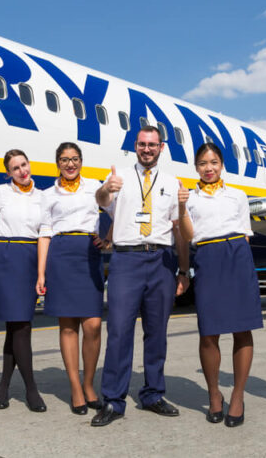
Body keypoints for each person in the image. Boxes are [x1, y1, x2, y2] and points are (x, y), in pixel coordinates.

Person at [91, 125, 190, 427]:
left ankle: (153, 393)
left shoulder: (174, 184)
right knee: (119, 331)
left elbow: (180, 232)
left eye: (153, 145)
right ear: (135, 146)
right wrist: (107, 188)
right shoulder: (118, 177)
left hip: (161, 259)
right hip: (127, 259)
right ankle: (113, 399)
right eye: (142, 144)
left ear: (161, 148)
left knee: (156, 332)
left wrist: (183, 271)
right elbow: (100, 199)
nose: (147, 149)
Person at [176, 143, 262, 427]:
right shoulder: (189, 199)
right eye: (203, 163)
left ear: (222, 164)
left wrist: (242, 266)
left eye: (213, 162)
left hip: (237, 255)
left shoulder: (237, 195)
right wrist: (184, 271)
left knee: (242, 329)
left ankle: (237, 396)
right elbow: (187, 238)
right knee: (208, 333)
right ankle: (214, 394)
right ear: (196, 167)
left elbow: (245, 234)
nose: (209, 168)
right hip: (208, 259)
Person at [36, 142, 105, 415]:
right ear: (57, 163)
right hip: (61, 254)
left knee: (93, 325)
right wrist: (41, 273)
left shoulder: (94, 187)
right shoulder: (48, 194)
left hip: (88, 254)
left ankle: (89, 383)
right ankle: (76, 388)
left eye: (75, 159)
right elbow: (44, 232)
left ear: (81, 161)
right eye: (65, 160)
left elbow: (115, 212)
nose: (70, 164)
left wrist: (108, 238)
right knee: (68, 327)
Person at [0, 149, 47, 413]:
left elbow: (45, 234)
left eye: (24, 164)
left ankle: (3, 385)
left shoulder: (42, 197)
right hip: (6, 255)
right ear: (8, 173)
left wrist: (41, 272)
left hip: (30, 257)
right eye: (15, 168)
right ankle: (31, 389)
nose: (22, 171)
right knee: (20, 325)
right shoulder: (1, 192)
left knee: (16, 327)